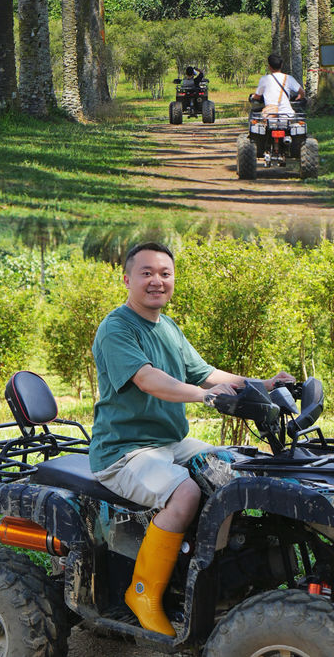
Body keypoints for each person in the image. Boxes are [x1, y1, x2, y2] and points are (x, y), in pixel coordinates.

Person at [89, 242, 292, 636]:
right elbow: (148, 379)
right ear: (127, 279)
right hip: (125, 452)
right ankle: (142, 594)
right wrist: (203, 396)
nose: (156, 281)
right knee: (185, 494)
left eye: (164, 273)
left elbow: (208, 373)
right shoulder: (117, 328)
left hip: (171, 444)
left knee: (237, 469)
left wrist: (263, 384)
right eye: (146, 273)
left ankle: (213, 574)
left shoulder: (168, 328)